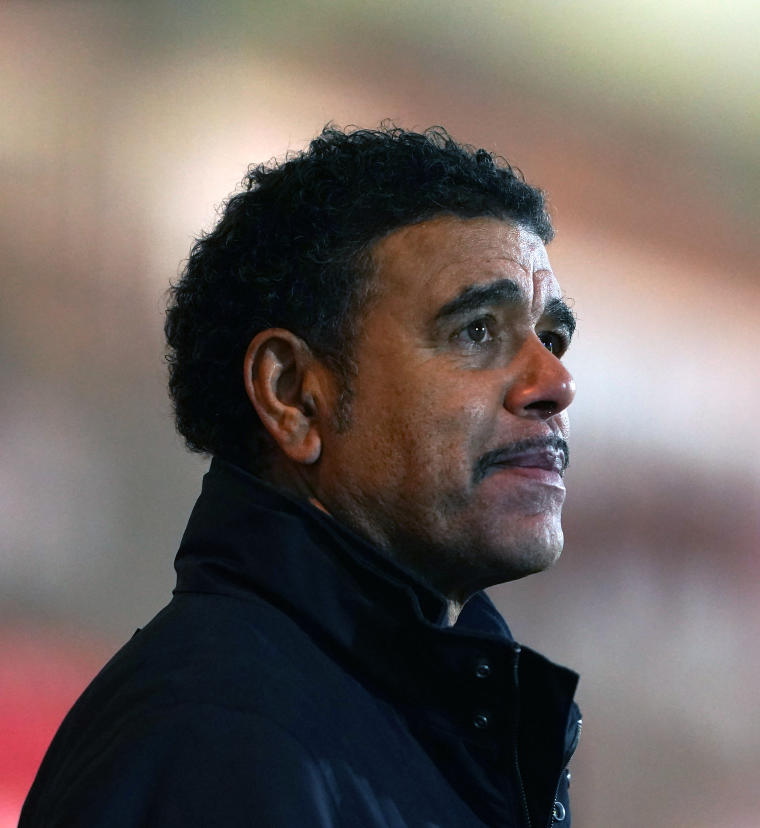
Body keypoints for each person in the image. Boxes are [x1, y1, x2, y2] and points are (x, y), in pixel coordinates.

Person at [21, 124, 583, 827]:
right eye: (476, 331)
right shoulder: (218, 742)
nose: (555, 382)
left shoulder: (375, 733)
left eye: (552, 339)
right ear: (293, 395)